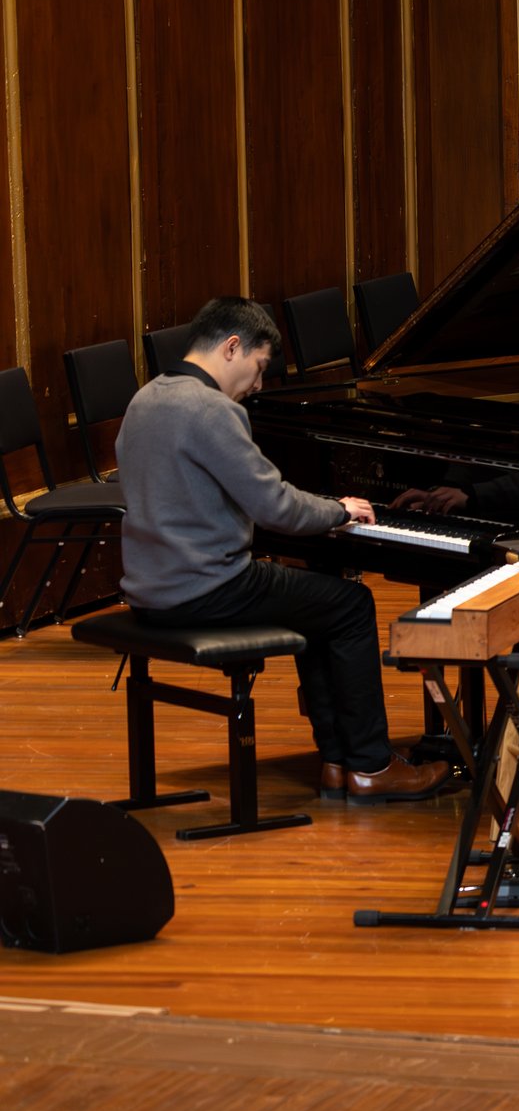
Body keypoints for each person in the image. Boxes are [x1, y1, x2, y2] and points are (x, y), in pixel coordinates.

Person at [118, 297, 449, 803]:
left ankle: (338, 762)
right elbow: (276, 507)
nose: (257, 384)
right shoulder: (212, 410)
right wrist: (339, 510)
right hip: (207, 588)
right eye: (259, 366)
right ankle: (371, 766)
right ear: (233, 347)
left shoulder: (145, 399)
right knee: (352, 605)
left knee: (321, 603)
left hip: (150, 590)